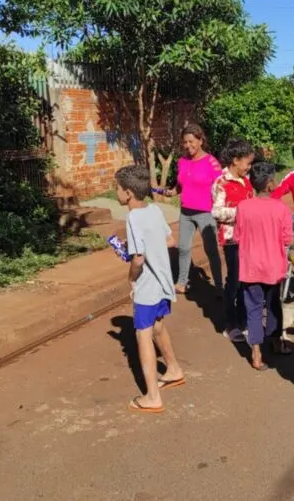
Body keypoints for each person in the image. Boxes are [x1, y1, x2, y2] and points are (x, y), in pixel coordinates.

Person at [115, 165, 184, 414]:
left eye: (118, 188)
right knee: (157, 326)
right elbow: (169, 240)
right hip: (163, 282)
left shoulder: (133, 217)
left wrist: (131, 279)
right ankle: (174, 369)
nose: (117, 192)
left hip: (147, 286)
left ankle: (152, 396)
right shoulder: (154, 209)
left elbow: (138, 259)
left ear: (129, 193)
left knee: (142, 335)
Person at [235, 162, 294, 371]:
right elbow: (288, 239)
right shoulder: (281, 209)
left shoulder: (242, 206)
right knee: (273, 306)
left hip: (250, 268)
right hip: (273, 269)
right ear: (270, 184)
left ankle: (256, 352)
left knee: (253, 309)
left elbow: (237, 235)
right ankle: (276, 341)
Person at [161, 124, 224, 296]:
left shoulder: (212, 162)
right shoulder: (182, 161)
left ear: (201, 140)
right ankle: (181, 282)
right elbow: (181, 185)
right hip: (186, 212)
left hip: (206, 213)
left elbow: (221, 188)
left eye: (191, 141)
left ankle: (219, 285)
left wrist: (220, 213)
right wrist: (171, 192)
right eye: (185, 142)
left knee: (211, 251)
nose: (188, 145)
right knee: (183, 248)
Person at [210, 138, 255, 343]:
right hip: (231, 239)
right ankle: (230, 324)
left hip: (249, 238)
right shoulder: (221, 183)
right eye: (247, 163)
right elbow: (217, 211)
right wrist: (242, 212)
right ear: (236, 161)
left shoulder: (246, 181)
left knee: (247, 280)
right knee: (234, 281)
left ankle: (244, 320)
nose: (249, 167)